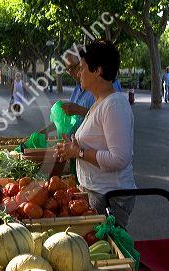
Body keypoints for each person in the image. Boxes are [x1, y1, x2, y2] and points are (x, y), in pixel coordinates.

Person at [53, 41, 136, 228]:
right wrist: (71, 148)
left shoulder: (114, 105)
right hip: (96, 193)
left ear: (97, 70)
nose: (78, 73)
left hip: (110, 198)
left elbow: (119, 158)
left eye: (81, 68)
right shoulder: (100, 102)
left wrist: (79, 153)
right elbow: (95, 143)